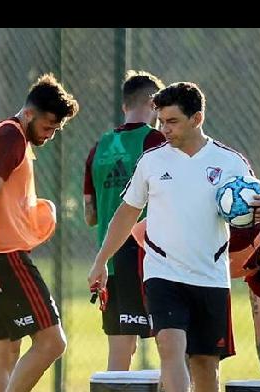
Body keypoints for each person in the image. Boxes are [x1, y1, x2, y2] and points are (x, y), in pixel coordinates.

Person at [88, 81, 260, 392]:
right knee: (169, 345)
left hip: (210, 276)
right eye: (161, 120)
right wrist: (101, 261)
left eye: (172, 121)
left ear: (197, 118)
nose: (164, 129)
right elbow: (126, 214)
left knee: (206, 364)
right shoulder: (152, 161)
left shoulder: (230, 162)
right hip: (162, 272)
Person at [0, 74, 78, 392]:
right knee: (52, 341)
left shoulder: (11, 137)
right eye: (48, 125)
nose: (50, 134)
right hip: (3, 258)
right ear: (30, 114)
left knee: (5, 350)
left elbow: (0, 201)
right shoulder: (10, 137)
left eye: (56, 129)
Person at [132, 220, 260, 383]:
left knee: (206, 361)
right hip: (162, 261)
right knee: (180, 353)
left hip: (200, 279)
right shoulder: (245, 231)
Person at [83, 70, 165, 371]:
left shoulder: (99, 147)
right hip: (148, 256)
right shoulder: (156, 140)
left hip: (110, 258)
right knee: (171, 342)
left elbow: (90, 216)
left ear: (124, 106)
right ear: (154, 104)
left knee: (121, 346)